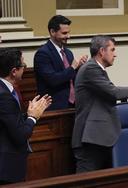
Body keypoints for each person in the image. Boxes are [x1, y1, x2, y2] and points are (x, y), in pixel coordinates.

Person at [72, 35, 128, 172]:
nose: (115, 55)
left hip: (97, 138)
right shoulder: (91, 68)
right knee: (86, 181)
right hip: (89, 139)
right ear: (102, 51)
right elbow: (113, 92)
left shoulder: (95, 69)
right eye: (112, 50)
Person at [0, 48, 52, 184]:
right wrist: (33, 117)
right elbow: (20, 134)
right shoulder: (4, 96)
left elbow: (8, 120)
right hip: (6, 167)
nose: (25, 68)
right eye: (23, 65)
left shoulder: (4, 91)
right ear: (14, 71)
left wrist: (27, 114)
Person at [34, 15, 88, 110]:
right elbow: (53, 79)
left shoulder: (68, 53)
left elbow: (71, 77)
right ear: (52, 32)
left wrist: (80, 67)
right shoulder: (43, 54)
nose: (68, 36)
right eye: (64, 33)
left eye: (68, 33)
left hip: (73, 105)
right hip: (55, 107)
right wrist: (72, 68)